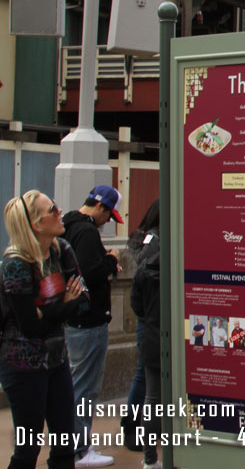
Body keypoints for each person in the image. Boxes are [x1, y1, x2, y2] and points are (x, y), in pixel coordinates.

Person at [1, 192, 87, 469]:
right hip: (23, 366)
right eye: (52, 209)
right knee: (28, 449)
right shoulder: (16, 264)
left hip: (57, 361)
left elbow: (85, 301)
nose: (61, 210)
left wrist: (50, 311)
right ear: (37, 225)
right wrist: (64, 305)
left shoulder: (61, 248)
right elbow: (31, 328)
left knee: (65, 446)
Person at [62, 184, 122, 468]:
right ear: (101, 207)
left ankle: (72, 445)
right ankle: (80, 449)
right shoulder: (86, 232)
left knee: (76, 385)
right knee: (85, 388)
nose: (109, 221)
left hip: (74, 319)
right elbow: (93, 271)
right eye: (109, 215)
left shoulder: (68, 225)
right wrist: (111, 259)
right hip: (89, 321)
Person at [123, 198, 159, 450]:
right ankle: (134, 427)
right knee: (144, 376)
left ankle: (136, 425)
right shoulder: (156, 242)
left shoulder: (142, 238)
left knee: (144, 375)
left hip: (147, 318)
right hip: (151, 319)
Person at [129, 216, 163, 469]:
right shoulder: (179, 267)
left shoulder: (143, 272)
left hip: (152, 334)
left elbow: (136, 306)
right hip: (170, 335)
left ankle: (150, 459)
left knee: (153, 397)